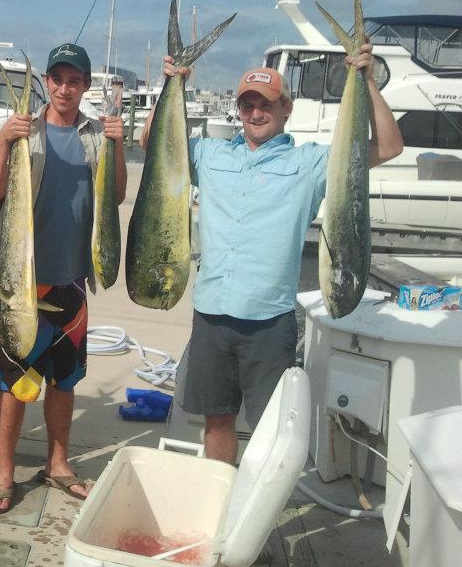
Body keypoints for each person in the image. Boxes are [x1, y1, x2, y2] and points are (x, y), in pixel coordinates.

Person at [149, 44, 403, 464]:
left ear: (284, 108)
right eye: (247, 104)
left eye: (265, 104)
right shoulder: (209, 155)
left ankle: (256, 511)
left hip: (269, 322)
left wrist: (368, 81)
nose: (255, 113)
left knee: (271, 425)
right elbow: (152, 143)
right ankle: (222, 506)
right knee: (217, 419)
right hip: (212, 312)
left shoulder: (312, 164)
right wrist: (171, 85)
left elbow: (390, 147)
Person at [0, 43, 127, 514]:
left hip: (70, 282)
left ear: (85, 85)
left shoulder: (92, 135)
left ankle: (57, 464)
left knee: (64, 381)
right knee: (15, 384)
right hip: (19, 283)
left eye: (75, 80)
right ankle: (4, 472)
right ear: (48, 81)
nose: (65, 88)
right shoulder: (25, 129)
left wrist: (117, 144)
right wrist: (4, 141)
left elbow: (117, 194)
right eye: (58, 79)